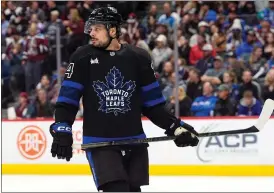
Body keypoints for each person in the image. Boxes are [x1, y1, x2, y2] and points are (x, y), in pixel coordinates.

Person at [49, 7, 199, 192]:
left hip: (134, 141)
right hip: (100, 142)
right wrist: (62, 129)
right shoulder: (82, 57)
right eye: (90, 28)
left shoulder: (139, 58)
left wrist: (175, 126)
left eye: (97, 28)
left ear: (113, 31)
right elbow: (67, 101)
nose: (91, 33)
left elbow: (152, 105)